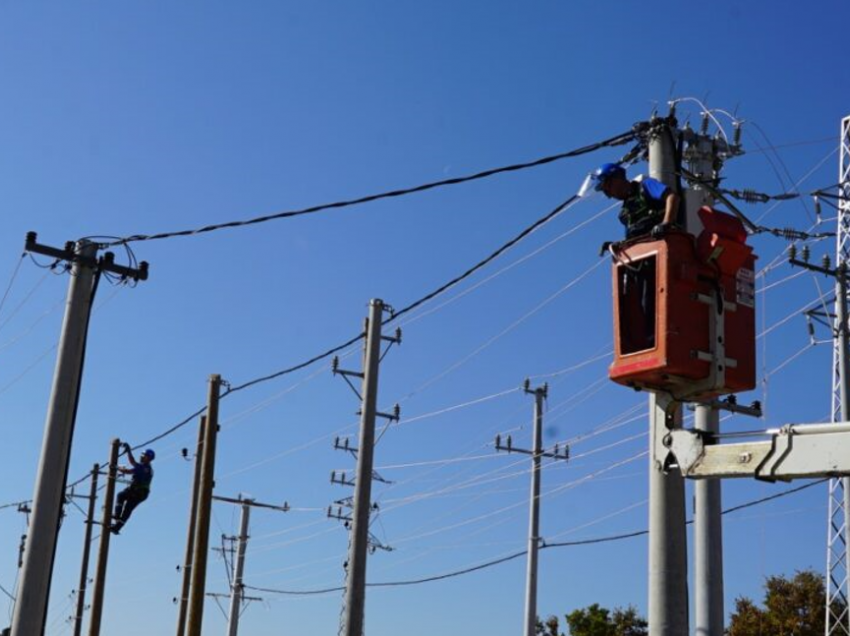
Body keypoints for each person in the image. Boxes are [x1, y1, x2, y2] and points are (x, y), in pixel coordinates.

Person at [592, 163, 681, 240]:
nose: (610, 194)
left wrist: (666, 223)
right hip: (646, 250)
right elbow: (631, 236)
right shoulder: (624, 213)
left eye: (608, 188)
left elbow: (672, 197)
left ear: (617, 178)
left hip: (665, 241)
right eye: (606, 192)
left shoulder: (645, 186)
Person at [111, 444, 154, 534]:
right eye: (142, 455)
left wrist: (117, 467)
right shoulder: (144, 467)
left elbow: (131, 466)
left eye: (144, 456)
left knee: (127, 506)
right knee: (122, 497)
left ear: (149, 458)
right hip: (136, 490)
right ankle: (117, 519)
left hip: (139, 492)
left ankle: (117, 524)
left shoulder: (145, 468)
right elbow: (132, 468)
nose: (142, 457)